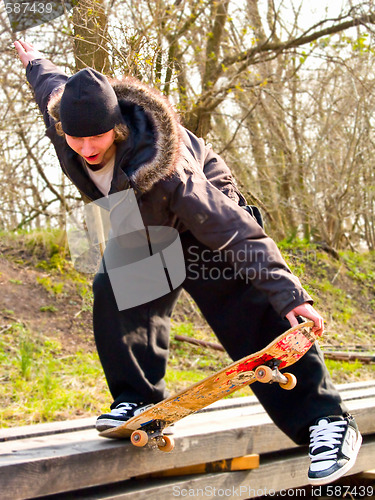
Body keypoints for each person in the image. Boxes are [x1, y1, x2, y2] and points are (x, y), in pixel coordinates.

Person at [15, 40, 361, 485]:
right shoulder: (66, 115)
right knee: (115, 288)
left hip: (201, 218)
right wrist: (34, 62)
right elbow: (50, 85)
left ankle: (325, 421)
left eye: (96, 137)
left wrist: (289, 293)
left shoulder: (172, 170)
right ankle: (137, 398)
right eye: (75, 138)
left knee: (245, 308)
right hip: (139, 217)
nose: (85, 149)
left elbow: (235, 231)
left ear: (117, 126)